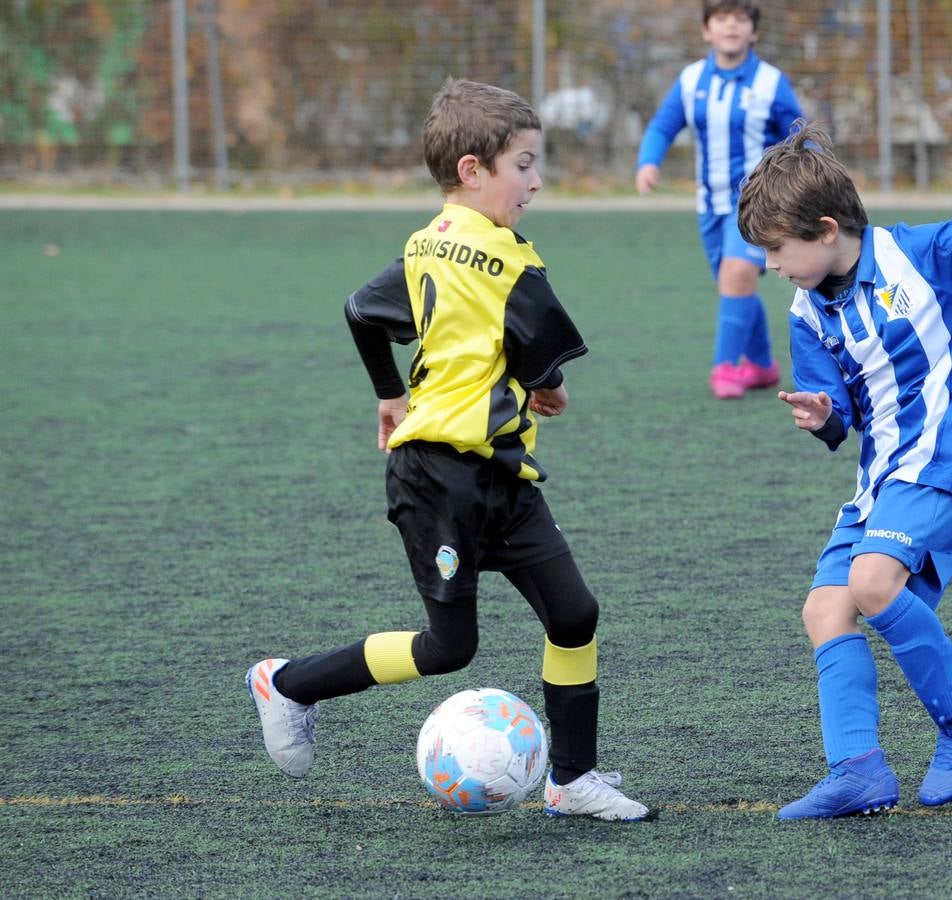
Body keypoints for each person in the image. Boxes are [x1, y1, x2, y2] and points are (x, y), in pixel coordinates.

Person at [245, 78, 651, 822]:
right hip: (439, 477)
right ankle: (289, 682)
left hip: (498, 472)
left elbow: (361, 310)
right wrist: (548, 388)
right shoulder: (515, 264)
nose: (535, 181)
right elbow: (547, 370)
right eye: (524, 165)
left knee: (574, 612)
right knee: (448, 647)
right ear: (473, 169)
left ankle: (571, 779)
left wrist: (387, 391)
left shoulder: (425, 241)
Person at [736, 122, 952, 819]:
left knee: (872, 584)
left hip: (942, 462)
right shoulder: (805, 311)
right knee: (824, 608)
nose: (772, 264)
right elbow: (839, 413)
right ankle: (860, 771)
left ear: (823, 229)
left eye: (777, 249)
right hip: (880, 482)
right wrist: (822, 415)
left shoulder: (924, 255)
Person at [634, 0, 804, 399]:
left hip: (756, 203)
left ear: (754, 31)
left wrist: (814, 177)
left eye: (741, 19)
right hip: (709, 205)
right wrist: (648, 162)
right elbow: (663, 124)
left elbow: (800, 133)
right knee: (735, 284)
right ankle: (762, 366)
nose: (732, 26)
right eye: (722, 19)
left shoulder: (769, 81)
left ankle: (726, 369)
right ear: (707, 30)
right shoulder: (692, 79)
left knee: (736, 274)